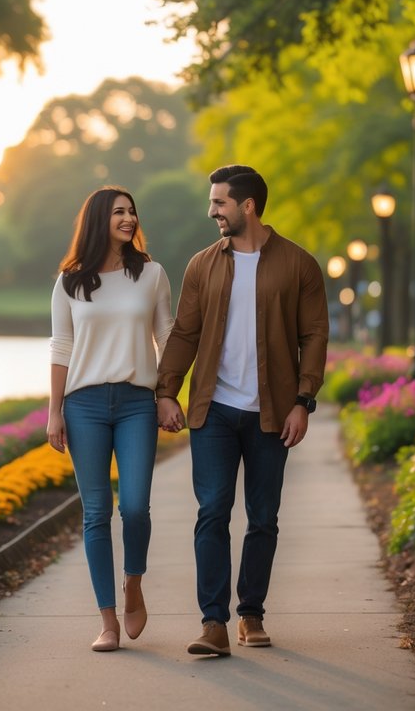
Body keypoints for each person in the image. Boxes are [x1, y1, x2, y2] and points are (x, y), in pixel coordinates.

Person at [156, 164, 329, 657]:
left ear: (247, 206)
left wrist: (303, 401)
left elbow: (314, 335)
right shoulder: (201, 265)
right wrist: (167, 390)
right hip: (213, 412)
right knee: (211, 512)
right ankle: (212, 622)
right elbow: (184, 332)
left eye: (219, 203)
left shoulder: (299, 265)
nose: (211, 211)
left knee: (263, 517)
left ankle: (250, 614)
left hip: (271, 415)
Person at [47, 185, 174, 652]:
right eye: (119, 211)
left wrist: (167, 395)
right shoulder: (69, 281)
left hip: (137, 403)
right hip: (83, 407)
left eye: (132, 211)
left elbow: (168, 337)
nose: (128, 218)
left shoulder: (153, 274)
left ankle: (133, 584)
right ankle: (107, 621)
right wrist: (53, 412)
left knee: (135, 506)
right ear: (99, 219)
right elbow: (61, 348)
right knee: (96, 513)